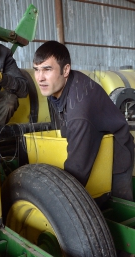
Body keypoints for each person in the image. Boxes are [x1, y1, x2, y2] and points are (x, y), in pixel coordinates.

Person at [33, 40, 134, 202]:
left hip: (117, 152)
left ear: (65, 70)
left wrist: (54, 202)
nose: (40, 78)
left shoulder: (79, 111)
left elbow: (76, 173)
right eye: (36, 70)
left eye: (47, 69)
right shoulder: (60, 87)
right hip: (94, 146)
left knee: (119, 208)